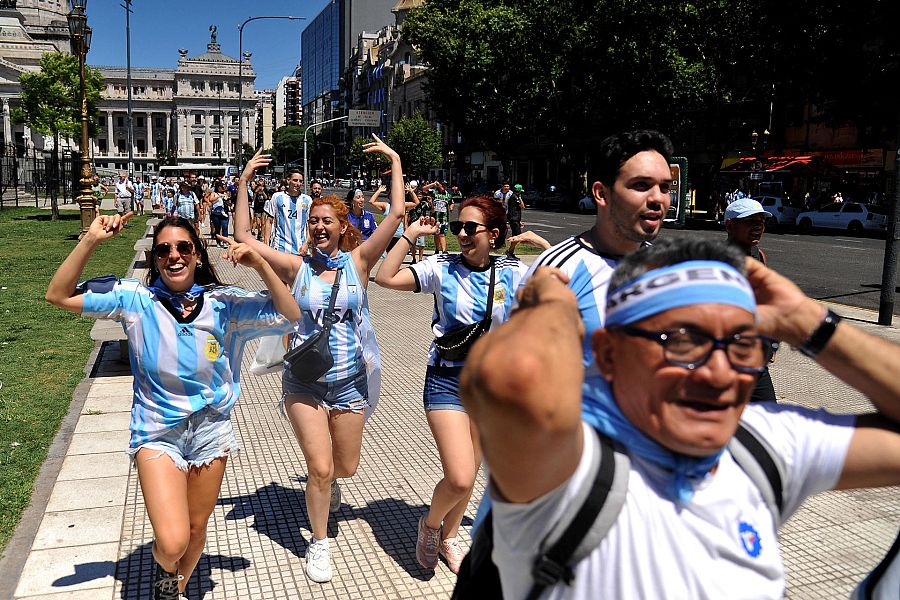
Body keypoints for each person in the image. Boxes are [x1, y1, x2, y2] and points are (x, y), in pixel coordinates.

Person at [459, 237, 900, 599]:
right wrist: (552, 304)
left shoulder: (760, 445)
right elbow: (514, 379)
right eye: (684, 342)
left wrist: (809, 321)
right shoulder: (570, 470)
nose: (721, 373)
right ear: (609, 354)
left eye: (744, 344)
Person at [45, 213, 301, 600]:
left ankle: (173, 589)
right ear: (155, 260)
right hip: (157, 431)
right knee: (172, 540)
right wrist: (90, 240)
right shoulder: (135, 299)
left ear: (197, 255)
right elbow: (58, 295)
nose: (174, 255)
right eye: (163, 249)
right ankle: (166, 566)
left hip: (211, 431)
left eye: (184, 247)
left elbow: (290, 315)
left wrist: (260, 264)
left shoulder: (223, 303)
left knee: (196, 530)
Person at [233, 136, 406, 583]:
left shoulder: (360, 261)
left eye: (326, 221)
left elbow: (395, 216)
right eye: (313, 222)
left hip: (350, 380)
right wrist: (246, 181)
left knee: (345, 466)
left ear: (342, 224)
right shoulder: (296, 266)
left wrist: (395, 161)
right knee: (322, 467)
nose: (319, 227)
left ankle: (325, 492)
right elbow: (244, 237)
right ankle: (319, 541)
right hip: (304, 379)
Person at [375, 196, 548, 575]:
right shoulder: (441, 267)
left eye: (471, 228)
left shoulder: (513, 271)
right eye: (458, 228)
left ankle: (450, 538)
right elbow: (385, 277)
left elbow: (568, 289)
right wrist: (408, 236)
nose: (463, 234)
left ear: (495, 234)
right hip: (446, 380)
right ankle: (430, 526)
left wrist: (547, 249)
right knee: (460, 475)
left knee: (472, 469)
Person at [520, 129, 673, 427]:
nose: (657, 199)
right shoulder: (557, 270)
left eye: (665, 187)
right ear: (602, 194)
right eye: (641, 186)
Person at [268, 168, 312, 255]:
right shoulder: (277, 197)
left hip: (300, 249)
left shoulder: (307, 200)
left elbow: (310, 224)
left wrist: (306, 243)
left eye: (300, 181)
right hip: (280, 247)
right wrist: (266, 245)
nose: (298, 183)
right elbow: (269, 221)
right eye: (295, 180)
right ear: (288, 180)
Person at [421, 181, 455, 254]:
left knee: (442, 234)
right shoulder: (434, 192)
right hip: (435, 217)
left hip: (444, 218)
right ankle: (436, 249)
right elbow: (423, 189)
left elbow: (451, 202)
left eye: (445, 186)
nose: (443, 187)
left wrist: (451, 207)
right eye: (442, 185)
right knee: (436, 234)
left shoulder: (448, 195)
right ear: (439, 185)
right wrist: (433, 184)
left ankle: (444, 250)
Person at [504, 184, 527, 257]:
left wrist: (518, 221)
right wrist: (520, 198)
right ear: (519, 191)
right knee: (517, 237)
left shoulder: (513, 197)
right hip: (514, 220)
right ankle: (509, 251)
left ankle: (510, 251)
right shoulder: (515, 197)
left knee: (516, 236)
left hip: (515, 219)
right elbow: (523, 206)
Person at [209, 180, 230, 246]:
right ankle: (218, 241)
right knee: (217, 228)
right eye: (220, 187)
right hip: (216, 213)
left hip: (224, 212)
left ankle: (225, 242)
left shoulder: (225, 193)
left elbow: (228, 203)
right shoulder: (214, 193)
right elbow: (211, 199)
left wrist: (226, 199)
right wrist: (218, 196)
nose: (221, 188)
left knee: (225, 227)